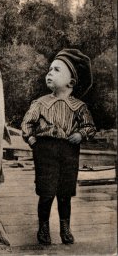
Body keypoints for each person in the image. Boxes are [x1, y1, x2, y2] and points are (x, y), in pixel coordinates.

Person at [21, 49, 96, 245]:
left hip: (69, 152)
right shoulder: (40, 103)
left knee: (65, 193)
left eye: (56, 70)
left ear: (71, 82)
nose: (49, 73)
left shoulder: (79, 107)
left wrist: (80, 134)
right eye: (49, 70)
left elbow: (89, 127)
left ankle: (65, 228)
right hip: (44, 151)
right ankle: (44, 228)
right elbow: (27, 123)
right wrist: (31, 140)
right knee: (46, 193)